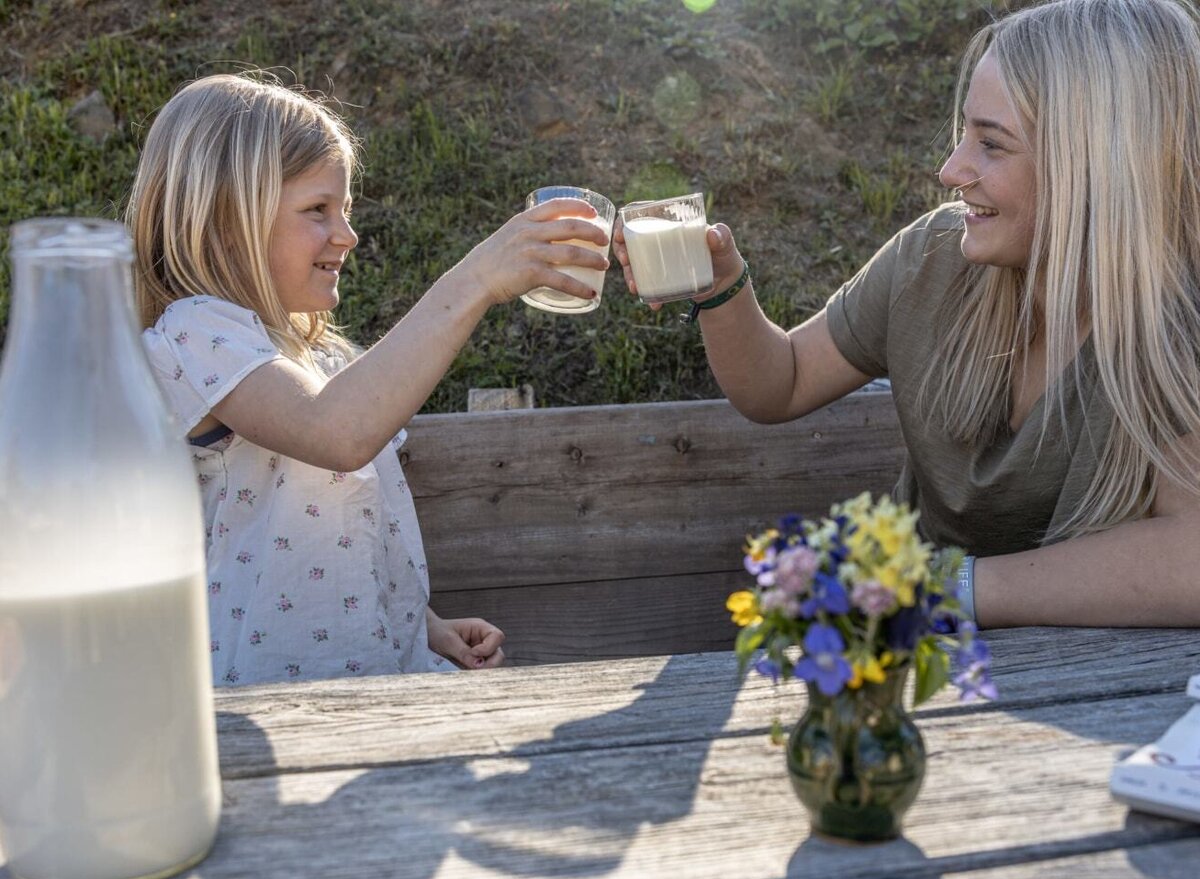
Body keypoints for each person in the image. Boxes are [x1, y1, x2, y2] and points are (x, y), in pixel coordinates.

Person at [616, 0, 1200, 628]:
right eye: (963, 134)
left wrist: (941, 588)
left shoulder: (1180, 324)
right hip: (910, 661)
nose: (951, 171)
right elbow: (780, 383)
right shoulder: (933, 258)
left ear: (1099, 164)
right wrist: (721, 286)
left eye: (991, 144)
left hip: (1090, 680)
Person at [125, 72, 611, 684]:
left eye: (346, 210)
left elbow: (349, 523)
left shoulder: (316, 359)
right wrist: (477, 280)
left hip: (373, 678)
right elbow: (335, 432)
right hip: (268, 699)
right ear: (227, 221)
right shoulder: (195, 332)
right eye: (317, 210)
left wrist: (422, 625)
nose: (347, 235)